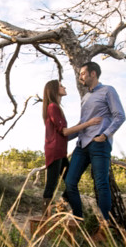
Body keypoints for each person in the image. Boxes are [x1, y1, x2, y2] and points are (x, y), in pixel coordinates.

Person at [64, 61, 126, 240]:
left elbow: (120, 115)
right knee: (70, 182)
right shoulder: (85, 98)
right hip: (82, 145)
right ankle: (78, 218)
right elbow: (84, 123)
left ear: (93, 73)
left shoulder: (108, 90)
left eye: (83, 73)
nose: (80, 77)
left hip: (99, 143)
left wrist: (105, 135)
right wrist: (64, 137)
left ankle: (103, 227)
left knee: (101, 184)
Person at [42, 79, 101, 216]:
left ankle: (60, 206)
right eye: (61, 85)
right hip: (55, 151)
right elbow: (65, 132)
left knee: (71, 181)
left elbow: (65, 136)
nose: (64, 87)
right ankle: (44, 219)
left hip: (61, 152)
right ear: (54, 89)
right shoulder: (53, 107)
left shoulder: (56, 107)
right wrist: (88, 124)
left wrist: (81, 125)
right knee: (51, 185)